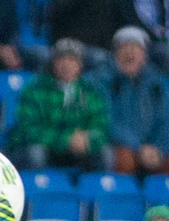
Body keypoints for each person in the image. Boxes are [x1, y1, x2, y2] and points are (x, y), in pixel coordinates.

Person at [6, 39, 108, 171]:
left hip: (77, 153)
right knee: (35, 152)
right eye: (61, 59)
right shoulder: (35, 90)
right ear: (53, 63)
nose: (66, 65)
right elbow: (29, 130)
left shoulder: (90, 92)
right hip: (46, 149)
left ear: (80, 65)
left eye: (72, 60)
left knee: (105, 153)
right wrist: (66, 140)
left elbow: (101, 129)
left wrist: (87, 139)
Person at [105, 26, 169, 176]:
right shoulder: (103, 81)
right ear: (115, 53)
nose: (129, 52)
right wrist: (138, 148)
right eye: (124, 47)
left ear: (144, 55)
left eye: (135, 47)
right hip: (124, 147)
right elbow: (107, 121)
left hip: (153, 149)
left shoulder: (158, 84)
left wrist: (159, 149)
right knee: (124, 159)